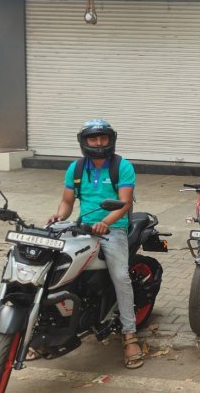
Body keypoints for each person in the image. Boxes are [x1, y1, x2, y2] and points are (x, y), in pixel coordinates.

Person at [48, 119, 143, 369]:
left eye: (103, 138)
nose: (99, 143)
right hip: (81, 228)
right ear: (84, 141)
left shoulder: (122, 166)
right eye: (93, 138)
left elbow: (125, 203)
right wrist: (60, 215)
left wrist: (105, 223)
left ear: (110, 140)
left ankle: (130, 335)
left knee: (121, 276)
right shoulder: (76, 169)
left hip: (113, 229)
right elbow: (67, 201)